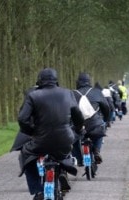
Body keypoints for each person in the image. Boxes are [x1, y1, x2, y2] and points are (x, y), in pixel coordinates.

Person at [17, 68, 84, 200]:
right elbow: (78, 116)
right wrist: (78, 129)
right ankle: (63, 170)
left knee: (26, 155)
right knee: (65, 151)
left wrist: (32, 132)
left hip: (40, 141)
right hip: (64, 139)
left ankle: (38, 190)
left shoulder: (33, 95)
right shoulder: (68, 93)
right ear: (56, 80)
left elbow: (22, 119)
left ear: (39, 81)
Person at [72, 73, 110, 165]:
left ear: (77, 82)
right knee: (100, 129)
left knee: (73, 138)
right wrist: (105, 119)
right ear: (89, 82)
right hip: (94, 124)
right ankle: (96, 151)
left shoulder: (72, 93)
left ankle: (79, 159)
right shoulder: (96, 92)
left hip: (78, 126)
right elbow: (106, 107)